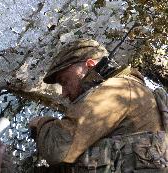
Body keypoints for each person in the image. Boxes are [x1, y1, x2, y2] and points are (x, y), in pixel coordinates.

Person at [29, 39, 168, 172]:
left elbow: (58, 148)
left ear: (89, 65)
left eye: (64, 81)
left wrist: (41, 124)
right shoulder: (127, 87)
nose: (63, 93)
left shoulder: (115, 91)